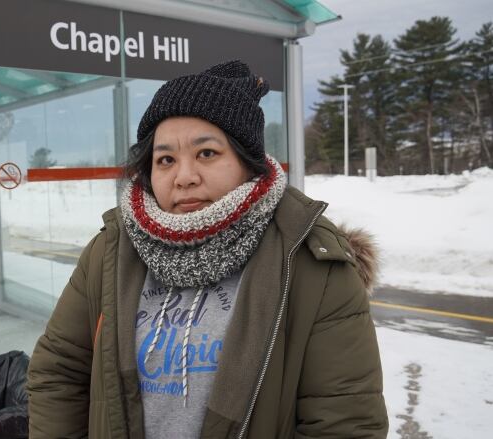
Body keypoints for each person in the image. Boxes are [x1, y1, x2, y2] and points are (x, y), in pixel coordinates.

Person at [26, 60, 388, 438]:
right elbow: (59, 370)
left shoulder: (311, 261)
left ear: (248, 164)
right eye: (165, 159)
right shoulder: (111, 250)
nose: (184, 177)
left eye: (207, 153)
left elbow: (346, 424)